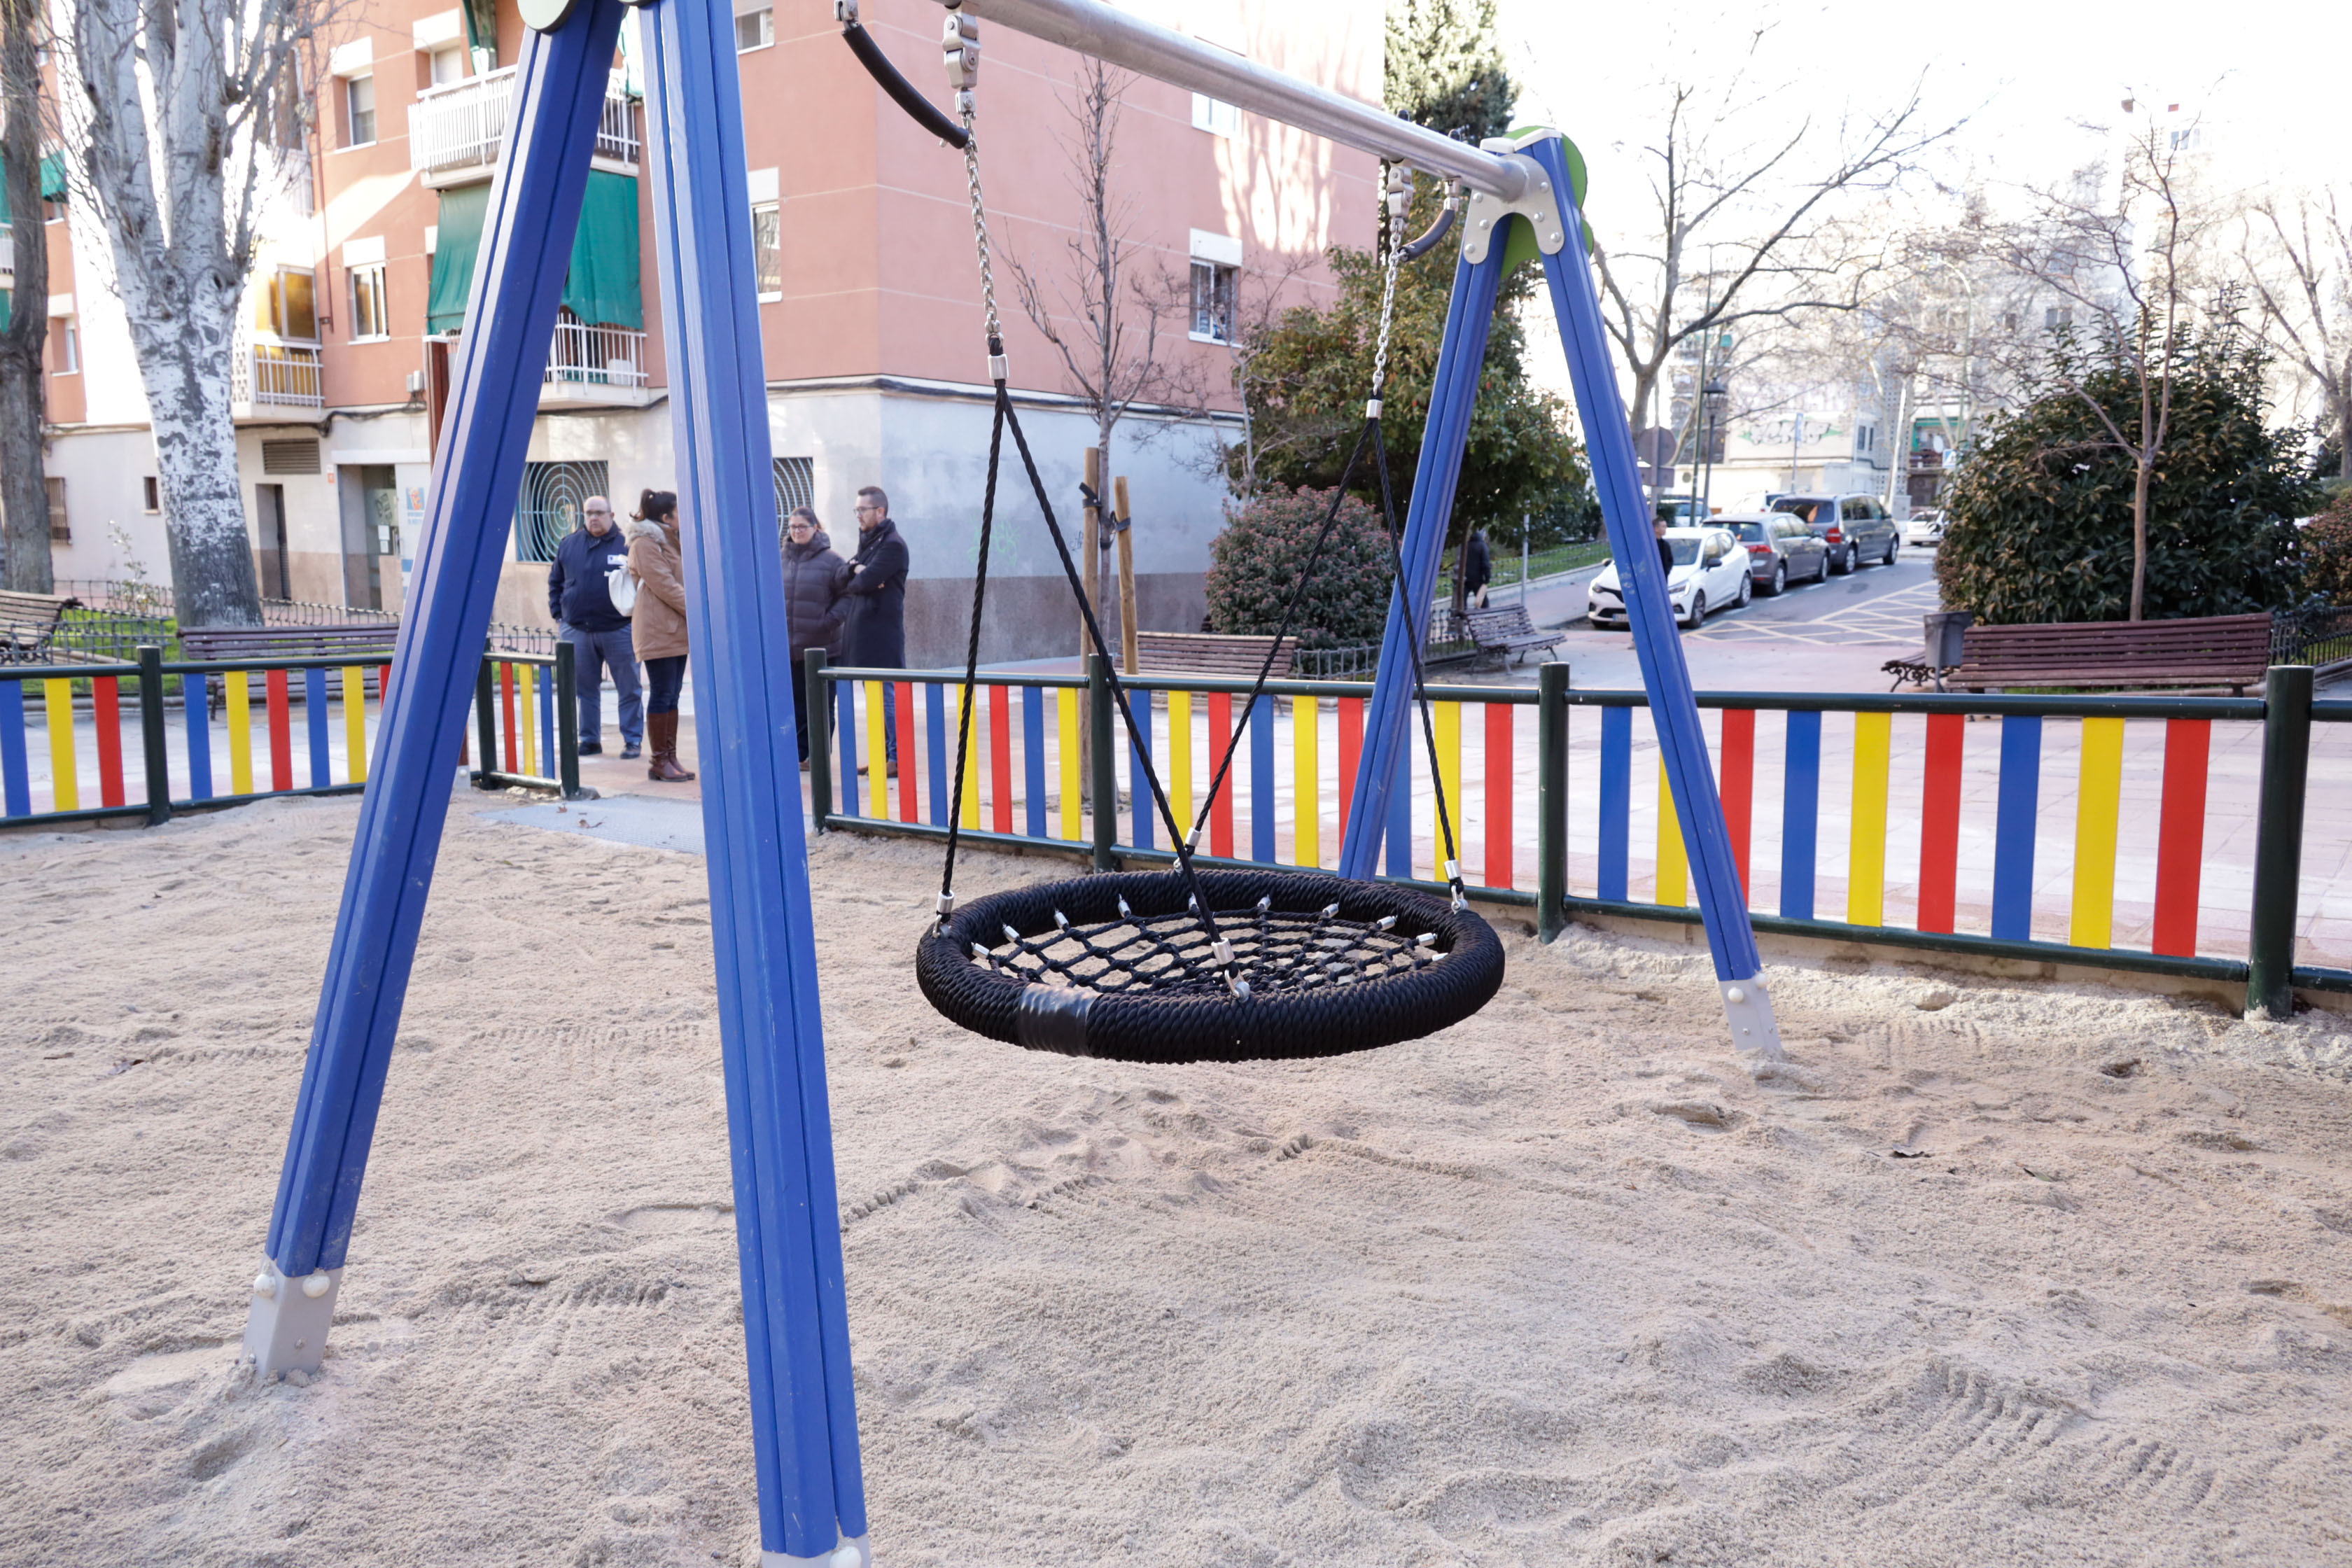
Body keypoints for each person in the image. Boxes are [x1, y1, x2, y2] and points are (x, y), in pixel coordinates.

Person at [546, 494, 643, 760]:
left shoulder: (627, 545)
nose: (594, 518)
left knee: (629, 688)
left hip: (619, 629)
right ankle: (589, 740)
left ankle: (632, 740)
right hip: (577, 630)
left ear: (611, 516)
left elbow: (642, 584)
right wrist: (558, 615)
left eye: (599, 513)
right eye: (589, 513)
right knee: (585, 690)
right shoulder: (569, 544)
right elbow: (555, 582)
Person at [836, 484, 909, 771]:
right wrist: (856, 570)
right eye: (856, 510)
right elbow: (842, 578)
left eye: (862, 510)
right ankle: (882, 756)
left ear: (880, 511)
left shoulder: (892, 545)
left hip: (882, 633)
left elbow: (863, 583)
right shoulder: (870, 543)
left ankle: (896, 758)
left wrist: (860, 575)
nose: (858, 515)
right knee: (874, 697)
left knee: (886, 696)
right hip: (864, 632)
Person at [626, 489, 696, 783]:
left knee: (673, 694)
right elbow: (664, 584)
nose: (684, 517)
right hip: (657, 629)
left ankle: (670, 756)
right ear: (666, 517)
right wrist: (697, 610)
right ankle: (658, 760)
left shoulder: (671, 540)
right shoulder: (645, 543)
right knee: (662, 693)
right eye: (680, 512)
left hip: (676, 628)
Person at [780, 505, 846, 769]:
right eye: (793, 527)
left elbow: (848, 597)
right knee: (795, 705)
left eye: (802, 527)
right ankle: (799, 755)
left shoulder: (832, 561)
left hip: (823, 648)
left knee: (820, 705)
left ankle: (818, 756)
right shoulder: (781, 558)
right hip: (790, 649)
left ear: (815, 528)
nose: (797, 531)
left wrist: (827, 622)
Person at [1462, 527, 1492, 609]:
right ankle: (1484, 615)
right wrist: (1487, 578)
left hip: (1465, 579)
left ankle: (1463, 616)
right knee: (1484, 603)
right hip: (1478, 579)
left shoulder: (1466, 546)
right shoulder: (1483, 547)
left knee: (1462, 603)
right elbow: (1486, 564)